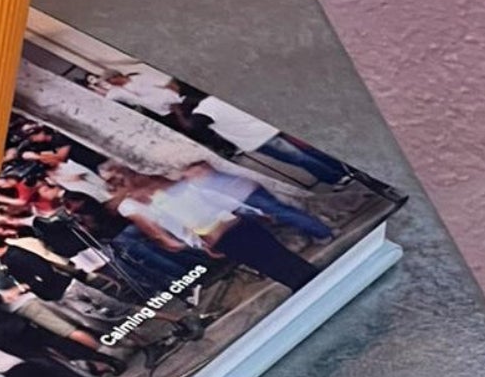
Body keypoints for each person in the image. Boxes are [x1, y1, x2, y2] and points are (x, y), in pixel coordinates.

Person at [112, 163, 327, 292]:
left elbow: (182, 227)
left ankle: (304, 284)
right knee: (277, 255)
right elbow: (216, 201)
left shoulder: (157, 205)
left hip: (222, 234)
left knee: (269, 263)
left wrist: (198, 243)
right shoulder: (178, 189)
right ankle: (313, 279)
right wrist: (252, 211)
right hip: (232, 226)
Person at [192, 97, 353, 185]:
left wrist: (219, 142)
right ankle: (343, 169)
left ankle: (335, 178)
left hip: (258, 139)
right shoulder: (220, 97)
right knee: (307, 151)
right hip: (269, 127)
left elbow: (197, 126)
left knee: (299, 159)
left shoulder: (204, 110)